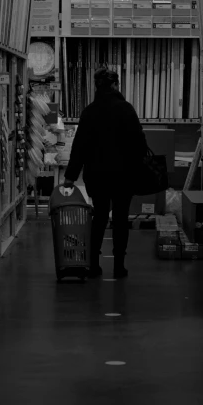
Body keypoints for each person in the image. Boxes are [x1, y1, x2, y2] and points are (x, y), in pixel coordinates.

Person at [63, 67, 148, 279]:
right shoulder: (127, 109)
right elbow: (139, 144)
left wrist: (70, 177)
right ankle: (119, 265)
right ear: (115, 85)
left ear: (97, 87)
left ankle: (93, 263)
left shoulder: (89, 112)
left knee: (99, 216)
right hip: (123, 175)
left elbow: (79, 146)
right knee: (120, 218)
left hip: (97, 175)